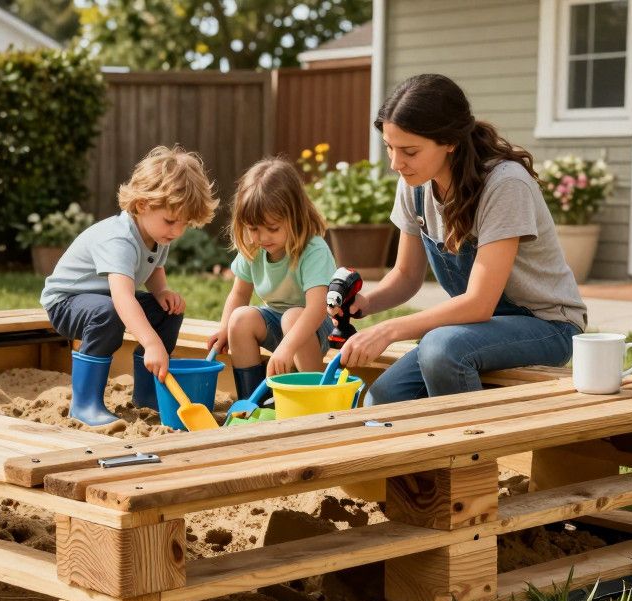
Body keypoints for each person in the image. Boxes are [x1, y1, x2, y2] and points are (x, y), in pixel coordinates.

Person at [339, 73, 587, 404]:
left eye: (409, 151)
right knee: (383, 397)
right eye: (389, 148)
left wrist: (389, 330)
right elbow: (406, 275)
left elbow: (479, 303)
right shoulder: (414, 185)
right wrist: (365, 304)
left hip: (548, 326)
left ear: (450, 142)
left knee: (442, 347)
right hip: (482, 328)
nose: (396, 163)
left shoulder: (505, 184)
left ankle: (475, 440)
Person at [40, 145, 218, 426]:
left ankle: (147, 394)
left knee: (167, 310)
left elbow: (153, 266)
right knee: (108, 312)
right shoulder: (119, 238)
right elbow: (123, 298)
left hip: (104, 300)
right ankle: (85, 404)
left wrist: (161, 292)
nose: (176, 231)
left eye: (184, 224)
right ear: (143, 204)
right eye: (171, 221)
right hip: (66, 303)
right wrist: (151, 342)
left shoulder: (158, 234)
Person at [207, 158, 336, 400]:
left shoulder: (313, 250)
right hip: (277, 320)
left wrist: (287, 346)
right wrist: (224, 328)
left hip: (315, 327)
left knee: (292, 317)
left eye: (273, 228)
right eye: (253, 229)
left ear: (295, 217)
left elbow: (318, 309)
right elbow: (239, 294)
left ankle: (316, 395)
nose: (262, 237)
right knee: (239, 319)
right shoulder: (254, 249)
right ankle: (254, 401)